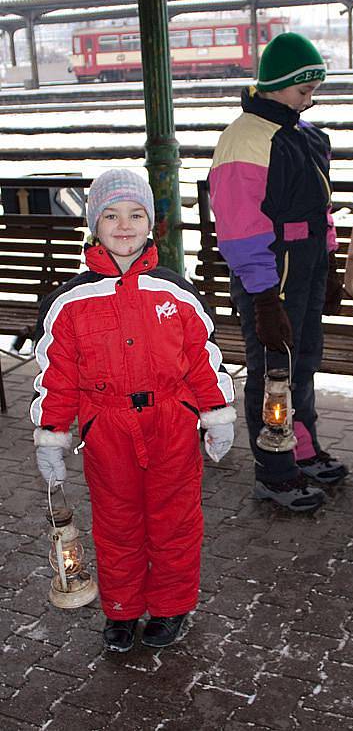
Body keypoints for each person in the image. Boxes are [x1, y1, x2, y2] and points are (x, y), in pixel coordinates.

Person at [31, 169, 237, 653]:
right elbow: (56, 375)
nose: (124, 226)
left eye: (135, 214)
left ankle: (170, 607)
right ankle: (121, 610)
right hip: (108, 428)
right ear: (94, 224)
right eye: (111, 215)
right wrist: (52, 433)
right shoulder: (70, 302)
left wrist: (216, 413)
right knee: (117, 523)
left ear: (152, 224)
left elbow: (203, 360)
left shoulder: (176, 294)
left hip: (171, 423)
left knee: (175, 521)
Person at [209, 32, 347, 513]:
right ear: (275, 85)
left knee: (303, 360)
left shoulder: (304, 135)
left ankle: (300, 446)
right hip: (271, 272)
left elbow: (320, 206)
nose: (311, 100)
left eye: (313, 91)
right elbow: (240, 227)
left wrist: (329, 264)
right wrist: (263, 297)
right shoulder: (245, 139)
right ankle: (274, 469)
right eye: (303, 91)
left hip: (306, 266)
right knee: (274, 373)